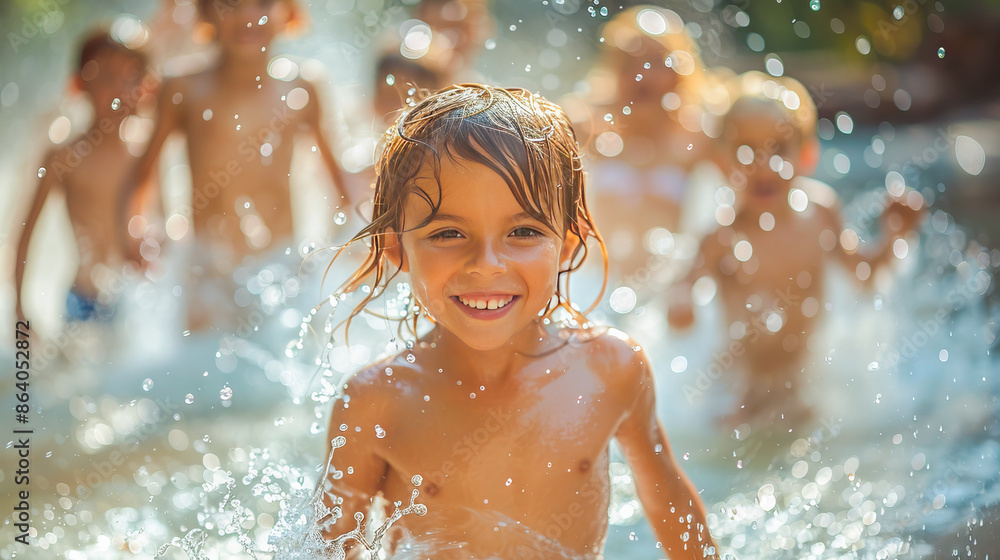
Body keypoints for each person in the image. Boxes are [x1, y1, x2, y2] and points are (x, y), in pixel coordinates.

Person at [317, 84, 719, 559]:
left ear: (568, 243)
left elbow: (668, 507)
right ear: (395, 247)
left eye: (523, 232)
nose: (486, 264)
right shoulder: (377, 402)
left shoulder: (611, 369)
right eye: (448, 233)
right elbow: (331, 548)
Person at [668, 71, 924, 430]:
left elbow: (863, 278)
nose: (764, 165)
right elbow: (683, 287)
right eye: (746, 150)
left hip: (803, 383)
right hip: (742, 389)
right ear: (722, 163)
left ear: (806, 154)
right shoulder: (722, 235)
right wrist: (681, 305)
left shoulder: (821, 211)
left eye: (779, 148)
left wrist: (896, 235)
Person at [123, 0, 351, 330]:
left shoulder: (302, 88)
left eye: (263, 3)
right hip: (206, 266)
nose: (247, 16)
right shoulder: (183, 89)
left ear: (287, 12)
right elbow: (143, 170)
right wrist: (138, 229)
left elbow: (338, 181)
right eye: (230, 5)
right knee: (199, 364)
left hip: (282, 263)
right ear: (205, 13)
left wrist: (342, 245)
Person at [567, 5, 718, 284]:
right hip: (597, 282)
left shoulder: (699, 139)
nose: (642, 76)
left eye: (658, 63)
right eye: (629, 64)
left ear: (680, 73)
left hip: (667, 289)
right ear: (613, 71)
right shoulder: (587, 127)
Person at [15, 29, 151, 325]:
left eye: (129, 77)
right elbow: (26, 234)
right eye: (104, 78)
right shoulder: (64, 158)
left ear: (145, 88)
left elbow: (164, 222)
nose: (118, 90)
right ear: (79, 85)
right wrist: (20, 309)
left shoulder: (145, 152)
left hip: (138, 297)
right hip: (84, 298)